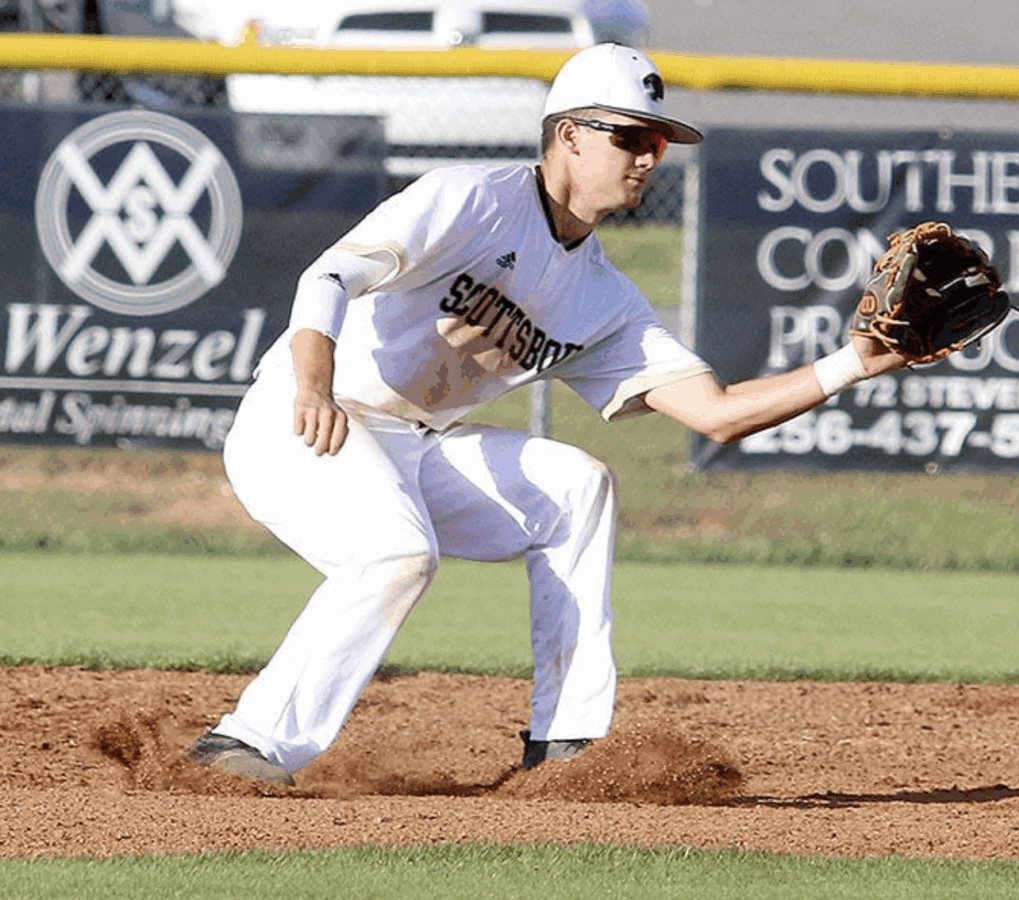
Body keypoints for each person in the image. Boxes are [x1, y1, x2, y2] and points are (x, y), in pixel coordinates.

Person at [189, 42, 907, 785]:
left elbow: (716, 413)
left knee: (578, 489)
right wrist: (313, 382)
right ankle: (246, 745)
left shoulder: (604, 297)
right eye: (629, 136)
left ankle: (565, 746)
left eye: (658, 142)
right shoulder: (472, 198)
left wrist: (855, 361)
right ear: (568, 134)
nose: (648, 158)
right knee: (398, 555)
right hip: (305, 420)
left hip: (416, 449)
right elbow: (330, 273)